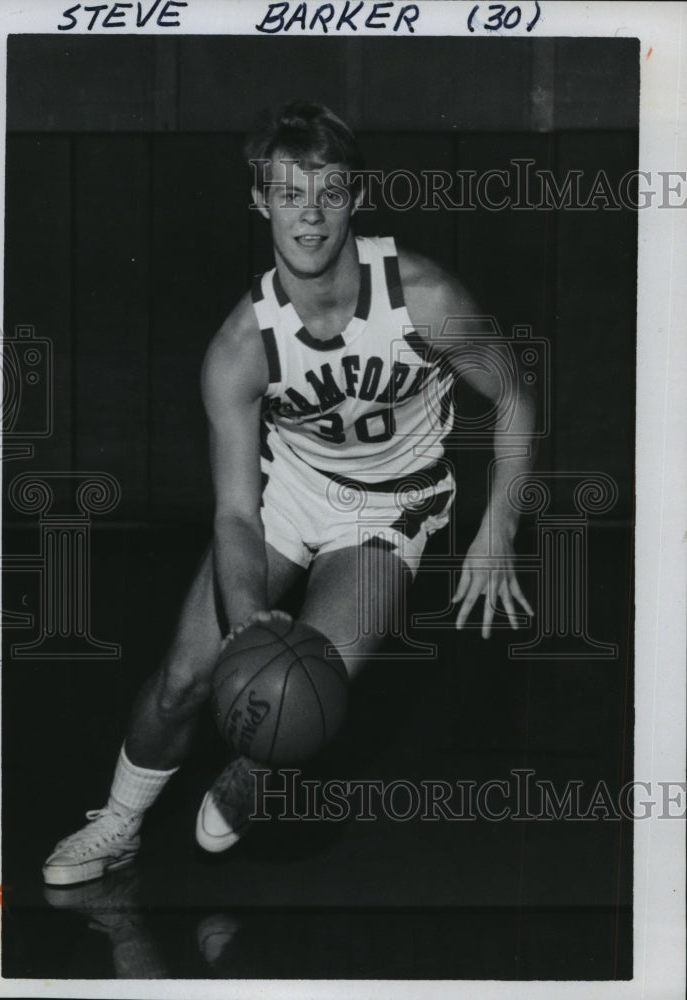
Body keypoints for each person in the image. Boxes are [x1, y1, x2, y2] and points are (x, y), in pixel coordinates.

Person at [42, 101, 535, 886]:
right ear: (260, 200)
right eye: (289, 193)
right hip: (291, 492)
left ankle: (258, 767)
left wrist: (497, 529)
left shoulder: (425, 297)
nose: (309, 214)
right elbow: (236, 510)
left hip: (392, 507)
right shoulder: (241, 350)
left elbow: (511, 396)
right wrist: (246, 625)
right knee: (184, 678)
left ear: (355, 196)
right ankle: (118, 822)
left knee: (305, 688)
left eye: (329, 192)